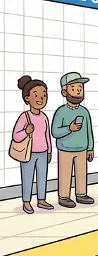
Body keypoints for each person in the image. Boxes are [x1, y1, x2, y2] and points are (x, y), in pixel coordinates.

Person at [51, 72, 95, 208]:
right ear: (64, 92)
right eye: (74, 88)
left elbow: (89, 131)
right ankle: (64, 196)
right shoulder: (61, 111)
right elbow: (55, 132)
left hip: (82, 149)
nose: (78, 91)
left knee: (81, 173)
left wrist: (90, 148)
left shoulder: (84, 112)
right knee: (65, 173)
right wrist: (69, 128)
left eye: (80, 88)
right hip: (65, 149)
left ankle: (81, 194)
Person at [11, 76, 53, 214]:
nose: (41, 98)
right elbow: (16, 136)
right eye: (36, 94)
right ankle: (26, 202)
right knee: (27, 177)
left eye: (44, 95)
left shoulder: (44, 117)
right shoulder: (25, 116)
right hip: (28, 153)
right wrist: (26, 131)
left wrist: (49, 151)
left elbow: (47, 135)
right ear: (27, 98)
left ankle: (41, 200)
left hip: (43, 153)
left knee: (42, 177)